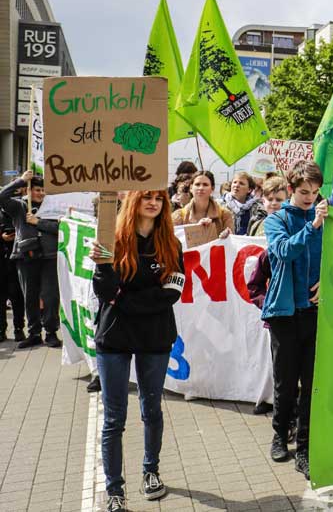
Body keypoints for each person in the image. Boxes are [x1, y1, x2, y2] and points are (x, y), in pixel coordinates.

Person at [89, 189, 185, 511]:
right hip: (114, 338)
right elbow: (103, 289)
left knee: (152, 409)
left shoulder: (173, 245)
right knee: (114, 419)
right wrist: (107, 274)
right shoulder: (111, 240)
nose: (154, 202)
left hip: (156, 338)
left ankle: (151, 471)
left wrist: (124, 300)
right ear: (134, 201)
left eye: (159, 198)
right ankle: (114, 490)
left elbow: (171, 292)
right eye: (147, 197)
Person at [261, 161, 328, 480]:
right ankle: (279, 434)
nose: (309, 198)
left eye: (315, 192)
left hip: (315, 313)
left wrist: (327, 283)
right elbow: (283, 252)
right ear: (290, 190)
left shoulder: (326, 220)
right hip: (284, 314)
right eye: (303, 192)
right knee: (285, 384)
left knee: (311, 384)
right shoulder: (276, 220)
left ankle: (305, 448)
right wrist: (311, 226)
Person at [0, 171, 62, 349]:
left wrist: (38, 222)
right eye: (37, 189)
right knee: (30, 297)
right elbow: (2, 196)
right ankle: (34, 333)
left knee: (50, 297)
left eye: (43, 190)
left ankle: (51, 332)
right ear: (28, 190)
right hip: (26, 257)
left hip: (50, 258)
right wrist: (20, 181)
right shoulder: (19, 206)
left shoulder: (54, 207)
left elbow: (62, 227)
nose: (41, 193)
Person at [0, 184, 26, 343]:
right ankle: (1, 330)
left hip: (17, 259)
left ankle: (18, 329)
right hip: (1, 261)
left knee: (17, 297)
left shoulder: (20, 209)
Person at [172, 171, 233, 239]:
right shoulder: (179, 216)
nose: (201, 188)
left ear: (212, 189)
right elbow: (173, 242)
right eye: (197, 184)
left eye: (205, 185)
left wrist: (228, 237)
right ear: (191, 188)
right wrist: (197, 229)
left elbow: (231, 243)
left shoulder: (225, 215)